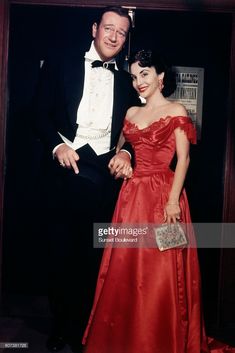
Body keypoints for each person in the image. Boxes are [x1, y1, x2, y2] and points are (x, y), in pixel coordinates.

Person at [82, 50, 235, 353]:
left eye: (145, 73)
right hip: (130, 199)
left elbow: (184, 159)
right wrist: (122, 157)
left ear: (161, 77)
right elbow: (121, 149)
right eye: (134, 75)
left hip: (165, 197)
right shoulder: (130, 113)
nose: (138, 81)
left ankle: (160, 339)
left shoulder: (176, 109)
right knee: (123, 269)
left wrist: (174, 202)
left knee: (165, 271)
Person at [34, 6, 140, 353]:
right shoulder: (60, 63)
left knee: (96, 257)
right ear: (95, 28)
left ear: (125, 40)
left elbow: (138, 131)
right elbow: (38, 113)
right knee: (59, 254)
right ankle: (60, 328)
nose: (113, 37)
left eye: (121, 33)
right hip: (64, 170)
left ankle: (85, 332)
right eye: (108, 28)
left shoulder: (127, 81)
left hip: (104, 178)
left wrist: (126, 154)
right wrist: (55, 147)